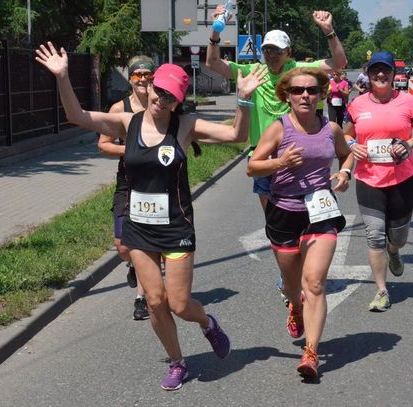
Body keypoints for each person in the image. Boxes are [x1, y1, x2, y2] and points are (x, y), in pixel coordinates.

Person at [35, 41, 268, 390]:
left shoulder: (186, 126)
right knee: (155, 301)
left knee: (178, 303)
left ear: (178, 100)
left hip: (176, 228)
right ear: (150, 87)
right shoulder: (127, 122)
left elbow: (236, 134)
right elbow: (77, 117)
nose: (161, 99)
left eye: (170, 96)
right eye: (158, 90)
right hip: (139, 227)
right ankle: (178, 363)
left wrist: (245, 97)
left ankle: (207, 323)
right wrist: (63, 77)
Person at [247, 67, 354, 378]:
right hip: (283, 213)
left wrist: (345, 173)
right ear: (287, 96)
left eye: (311, 90)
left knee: (316, 283)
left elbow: (347, 155)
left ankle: (311, 352)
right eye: (297, 91)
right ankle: (295, 305)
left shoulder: (331, 129)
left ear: (321, 94)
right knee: (294, 287)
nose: (305, 95)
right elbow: (252, 168)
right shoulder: (279, 129)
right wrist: (280, 162)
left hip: (321, 212)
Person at [206, 9, 347, 211]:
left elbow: (339, 63)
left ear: (288, 52)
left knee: (304, 216)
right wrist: (215, 32)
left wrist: (328, 30)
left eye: (277, 51)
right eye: (268, 50)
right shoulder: (252, 72)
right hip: (263, 157)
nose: (271, 55)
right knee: (274, 222)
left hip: (296, 154)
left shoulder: (298, 71)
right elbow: (212, 63)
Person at [344, 51, 413, 312]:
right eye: (374, 71)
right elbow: (345, 135)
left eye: (385, 71)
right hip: (369, 180)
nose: (380, 75)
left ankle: (395, 251)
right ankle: (381, 290)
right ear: (368, 74)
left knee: (398, 237)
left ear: (394, 74)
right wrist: (351, 145)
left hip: (402, 180)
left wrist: (407, 143)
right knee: (374, 236)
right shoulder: (357, 105)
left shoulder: (408, 102)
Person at [97, 55, 154, 321]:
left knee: (143, 241)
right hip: (128, 180)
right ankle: (131, 264)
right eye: (138, 75)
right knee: (122, 246)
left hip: (155, 182)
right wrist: (132, 150)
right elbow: (103, 144)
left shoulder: (162, 105)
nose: (143, 79)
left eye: (147, 74)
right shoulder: (118, 108)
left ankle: (141, 298)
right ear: (130, 78)